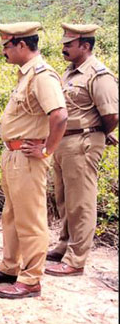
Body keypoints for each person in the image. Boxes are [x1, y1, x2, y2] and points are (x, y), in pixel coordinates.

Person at [0, 22, 68, 299]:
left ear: (21, 45)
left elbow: (60, 115)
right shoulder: (26, 75)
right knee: (12, 215)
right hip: (14, 155)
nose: (3, 51)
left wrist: (46, 150)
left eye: (6, 45)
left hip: (28, 158)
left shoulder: (41, 75)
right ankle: (10, 267)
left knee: (30, 220)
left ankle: (30, 280)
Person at [45, 23, 119, 276]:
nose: (64, 48)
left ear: (85, 46)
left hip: (83, 143)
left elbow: (112, 115)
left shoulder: (99, 75)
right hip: (64, 141)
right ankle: (64, 245)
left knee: (82, 202)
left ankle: (76, 260)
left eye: (69, 44)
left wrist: (98, 132)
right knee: (64, 198)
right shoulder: (70, 72)